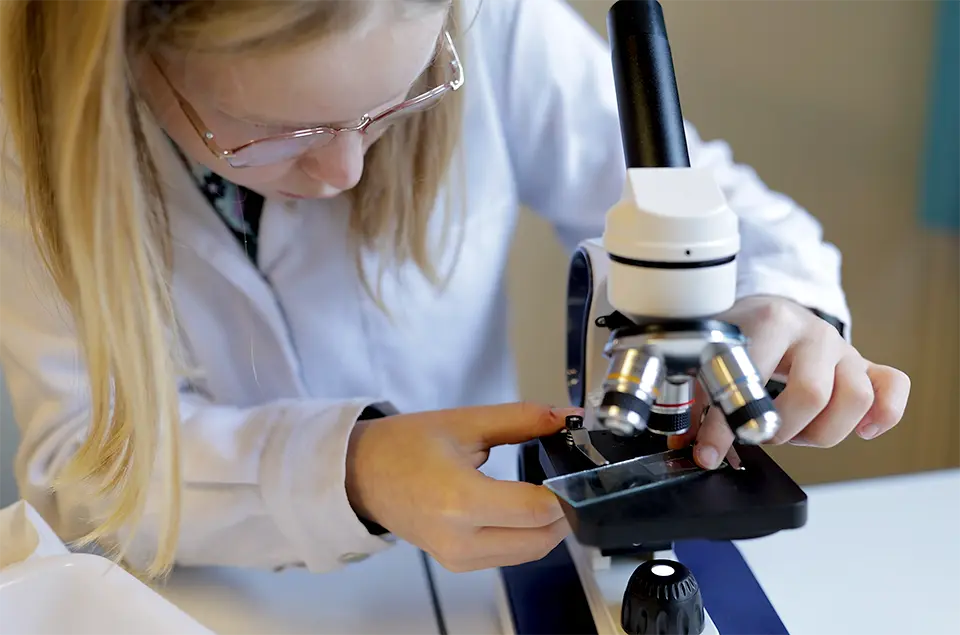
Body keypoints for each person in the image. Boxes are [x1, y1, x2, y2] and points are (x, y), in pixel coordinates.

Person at [0, 0, 909, 579]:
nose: (347, 169)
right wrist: (346, 470)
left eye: (389, 108)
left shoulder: (495, 23)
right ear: (131, 41)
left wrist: (784, 311)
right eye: (272, 133)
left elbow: (725, 211)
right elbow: (79, 459)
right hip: (197, 593)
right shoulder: (26, 136)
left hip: (487, 574)